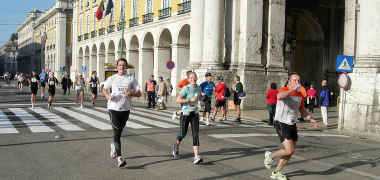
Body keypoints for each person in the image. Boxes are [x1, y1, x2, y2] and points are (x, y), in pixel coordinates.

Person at [264, 72, 318, 180]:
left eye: (298, 81)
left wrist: (310, 119)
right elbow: (279, 96)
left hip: (292, 123)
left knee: (291, 151)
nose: (297, 83)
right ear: (289, 81)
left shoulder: (300, 95)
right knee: (288, 150)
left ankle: (276, 172)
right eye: (294, 80)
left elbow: (302, 110)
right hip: (281, 122)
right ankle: (270, 155)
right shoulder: (284, 90)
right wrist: (292, 89)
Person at [102, 58, 141, 168]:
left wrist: (131, 93)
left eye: (124, 65)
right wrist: (108, 96)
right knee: (116, 132)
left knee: (119, 132)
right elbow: (104, 89)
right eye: (120, 65)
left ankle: (113, 145)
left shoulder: (131, 79)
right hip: (113, 108)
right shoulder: (112, 78)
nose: (122, 67)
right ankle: (120, 158)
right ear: (117, 66)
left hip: (126, 109)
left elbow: (139, 93)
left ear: (126, 67)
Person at [171, 72, 203, 164]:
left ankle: (196, 156)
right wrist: (189, 100)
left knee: (195, 134)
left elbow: (199, 98)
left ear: (196, 78)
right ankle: (176, 146)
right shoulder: (186, 88)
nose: (193, 79)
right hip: (185, 113)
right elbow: (178, 99)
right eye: (191, 78)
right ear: (188, 79)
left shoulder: (198, 87)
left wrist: (202, 101)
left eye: (194, 77)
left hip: (195, 113)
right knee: (183, 134)